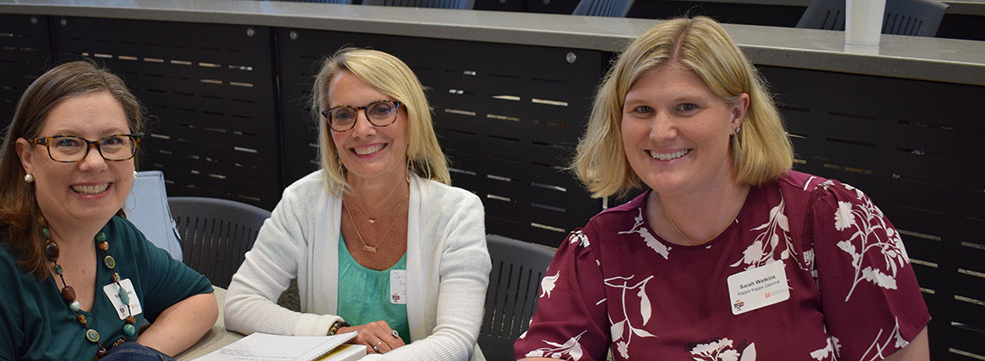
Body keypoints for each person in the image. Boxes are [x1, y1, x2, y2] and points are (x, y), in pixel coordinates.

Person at [515, 17, 929, 361]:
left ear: (737, 113)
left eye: (686, 107)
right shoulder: (599, 249)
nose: (660, 132)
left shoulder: (833, 220)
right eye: (642, 110)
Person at [0, 61, 218, 361]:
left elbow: (198, 299)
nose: (94, 161)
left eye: (113, 141)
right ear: (27, 157)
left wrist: (137, 354)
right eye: (67, 143)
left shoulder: (112, 237)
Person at [224, 48, 490, 361]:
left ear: (411, 117)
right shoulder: (303, 201)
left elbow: (455, 340)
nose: (361, 130)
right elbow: (240, 303)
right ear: (329, 128)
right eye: (344, 115)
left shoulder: (458, 213)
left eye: (381, 110)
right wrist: (337, 332)